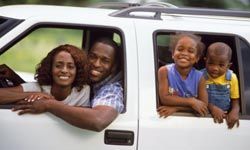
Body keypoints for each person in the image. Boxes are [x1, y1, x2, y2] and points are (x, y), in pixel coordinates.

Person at [4, 37, 124, 132]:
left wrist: (49, 104)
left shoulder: (111, 90)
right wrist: (15, 78)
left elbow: (98, 120)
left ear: (113, 67)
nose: (97, 64)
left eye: (105, 60)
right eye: (92, 57)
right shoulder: (84, 82)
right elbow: (41, 89)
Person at [0, 44, 90, 107]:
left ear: (78, 71)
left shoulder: (83, 91)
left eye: (70, 67)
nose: (64, 70)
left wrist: (50, 104)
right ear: (50, 68)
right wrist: (34, 94)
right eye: (58, 66)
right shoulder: (38, 88)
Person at [157, 33, 208, 117]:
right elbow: (165, 99)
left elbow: (203, 106)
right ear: (173, 54)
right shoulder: (164, 71)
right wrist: (192, 101)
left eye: (190, 51)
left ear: (197, 58)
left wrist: (176, 108)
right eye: (180, 49)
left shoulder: (200, 77)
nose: (184, 53)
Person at [203, 42, 240, 129]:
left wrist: (235, 111)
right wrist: (212, 108)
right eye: (211, 63)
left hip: (223, 119)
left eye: (221, 65)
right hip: (205, 117)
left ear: (228, 66)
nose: (215, 68)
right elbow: (199, 100)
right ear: (205, 61)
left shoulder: (232, 78)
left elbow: (235, 101)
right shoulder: (200, 77)